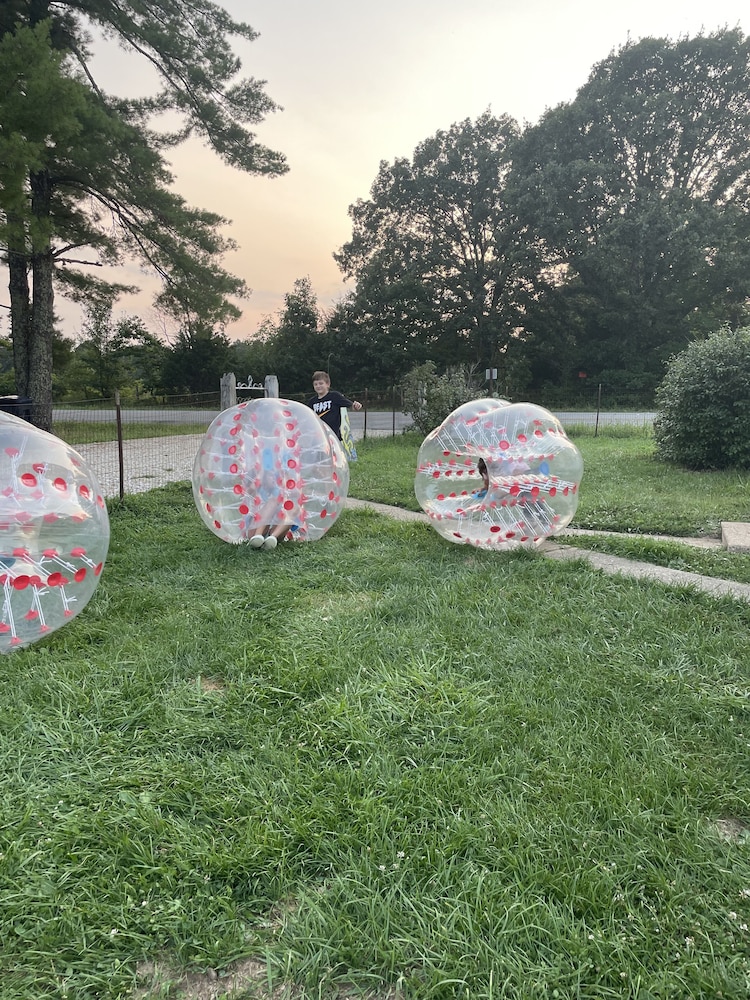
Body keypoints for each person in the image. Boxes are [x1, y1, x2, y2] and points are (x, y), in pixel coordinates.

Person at [307, 371, 362, 440]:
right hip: (319, 437)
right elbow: (307, 417)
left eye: (321, 383)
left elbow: (351, 406)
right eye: (316, 384)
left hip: (334, 436)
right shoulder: (312, 401)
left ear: (328, 384)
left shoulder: (334, 396)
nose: (318, 386)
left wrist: (356, 406)